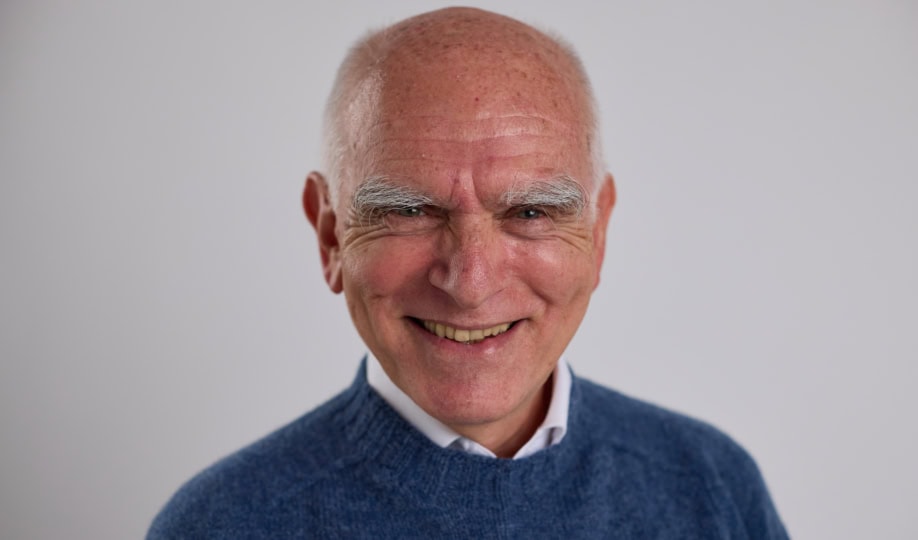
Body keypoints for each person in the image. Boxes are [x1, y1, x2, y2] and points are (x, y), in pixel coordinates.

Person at [148, 7, 788, 538]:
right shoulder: (220, 525)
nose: (471, 280)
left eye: (531, 211)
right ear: (330, 234)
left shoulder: (712, 489)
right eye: (406, 211)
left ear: (598, 234)